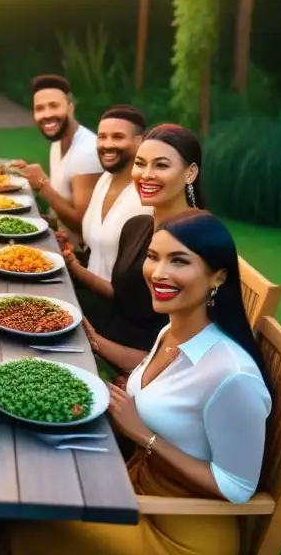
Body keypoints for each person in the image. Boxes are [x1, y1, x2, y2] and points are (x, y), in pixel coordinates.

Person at [4, 211, 272, 555]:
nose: (158, 273)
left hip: (178, 532)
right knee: (30, 470)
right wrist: (95, 342)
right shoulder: (174, 331)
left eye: (179, 261)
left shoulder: (233, 376)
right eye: (152, 257)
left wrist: (144, 436)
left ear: (217, 277)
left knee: (27, 514)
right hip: (132, 490)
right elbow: (156, 377)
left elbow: (237, 487)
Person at [69, 124, 203, 374]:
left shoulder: (193, 248)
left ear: (190, 173)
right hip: (106, 334)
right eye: (140, 164)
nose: (146, 175)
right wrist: (71, 264)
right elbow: (122, 295)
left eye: (161, 165)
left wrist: (92, 340)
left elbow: (172, 359)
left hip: (136, 368)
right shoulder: (136, 226)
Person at [15, 75, 102, 233]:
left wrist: (42, 185)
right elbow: (62, 195)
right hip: (55, 236)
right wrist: (28, 176)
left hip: (79, 254)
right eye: (39, 108)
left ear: (70, 108)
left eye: (54, 106)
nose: (46, 114)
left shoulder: (87, 152)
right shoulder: (57, 141)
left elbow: (85, 227)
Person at [81, 105, 152, 280]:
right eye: (102, 137)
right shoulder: (105, 179)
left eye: (118, 137)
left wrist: (72, 265)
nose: (107, 144)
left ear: (140, 141)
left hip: (116, 303)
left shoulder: (147, 196)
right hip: (87, 286)